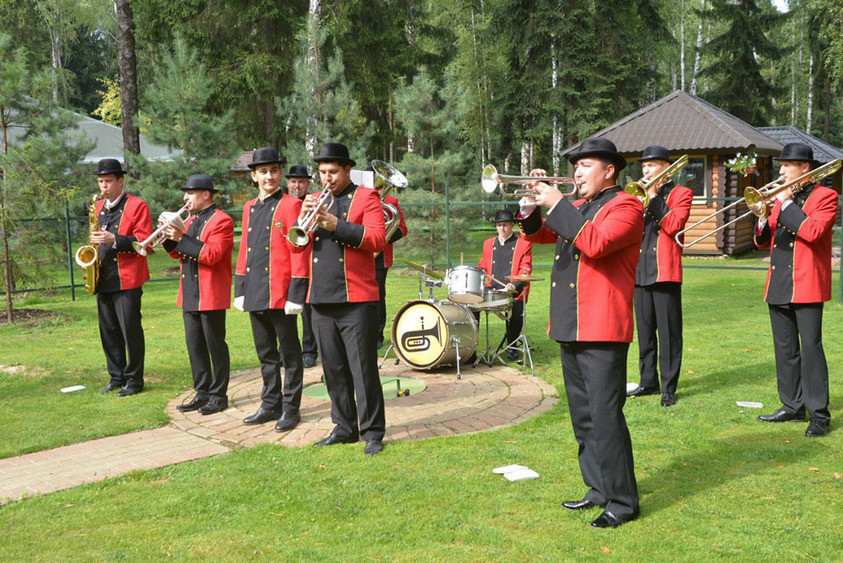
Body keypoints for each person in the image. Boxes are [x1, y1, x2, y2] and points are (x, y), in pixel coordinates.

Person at [518, 137, 643, 528]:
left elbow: (597, 242)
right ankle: (598, 487)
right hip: (571, 325)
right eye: (575, 165)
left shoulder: (627, 205)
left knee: (606, 418)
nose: (575, 172)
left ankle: (622, 501)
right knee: (583, 418)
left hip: (603, 328)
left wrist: (555, 203)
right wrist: (531, 202)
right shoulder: (577, 207)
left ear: (610, 170)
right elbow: (536, 234)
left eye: (585, 165)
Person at [295, 142, 387, 456]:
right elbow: (296, 246)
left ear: (347, 170)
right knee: (332, 369)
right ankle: (344, 427)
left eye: (333, 172)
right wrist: (304, 220)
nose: (327, 178)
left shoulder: (367, 196)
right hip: (321, 298)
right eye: (322, 172)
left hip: (356, 298)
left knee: (363, 370)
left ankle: (373, 432)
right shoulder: (312, 200)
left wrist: (335, 224)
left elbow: (376, 239)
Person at [754, 143, 837, 437]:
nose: (781, 170)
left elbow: (812, 232)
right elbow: (765, 241)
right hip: (779, 282)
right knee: (785, 349)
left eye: (787, 165)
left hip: (807, 284)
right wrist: (762, 215)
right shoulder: (780, 199)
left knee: (811, 350)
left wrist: (786, 204)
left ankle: (818, 415)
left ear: (805, 168)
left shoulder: (825, 195)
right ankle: (792, 405)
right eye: (782, 165)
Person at [234, 147, 308, 432]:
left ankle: (291, 408)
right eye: (263, 172)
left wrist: (296, 293)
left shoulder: (291, 204)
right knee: (266, 353)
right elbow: (245, 250)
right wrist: (240, 288)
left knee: (290, 355)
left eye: (274, 171)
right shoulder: (249, 207)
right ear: (254, 176)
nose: (269, 176)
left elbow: (299, 249)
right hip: (255, 290)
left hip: (281, 291)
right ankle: (270, 403)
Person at [162, 174, 234, 415]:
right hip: (190, 292)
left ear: (206, 194)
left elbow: (212, 255)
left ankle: (219, 395)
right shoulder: (190, 221)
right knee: (195, 346)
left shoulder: (222, 220)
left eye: (190, 193)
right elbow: (179, 254)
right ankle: (202, 392)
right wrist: (169, 239)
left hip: (210, 293)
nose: (185, 197)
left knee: (215, 346)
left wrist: (181, 238)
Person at [627, 146, 693, 407]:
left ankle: (668, 387)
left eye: (652, 165)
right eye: (644, 166)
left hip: (665, 271)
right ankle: (648, 381)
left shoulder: (682, 193)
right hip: (639, 270)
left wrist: (653, 197)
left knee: (669, 333)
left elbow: (674, 225)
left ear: (666, 168)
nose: (646, 170)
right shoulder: (636, 195)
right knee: (644, 332)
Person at [91, 158, 152, 397]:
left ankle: (135, 379)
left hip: (127, 278)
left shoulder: (137, 205)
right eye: (100, 181)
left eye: (108, 181)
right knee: (108, 331)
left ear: (120, 181)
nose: (103, 186)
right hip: (103, 276)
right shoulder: (98, 207)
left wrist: (114, 240)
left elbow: (144, 242)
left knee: (130, 331)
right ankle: (116, 376)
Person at [477, 209, 532, 361]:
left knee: (517, 310)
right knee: (471, 306)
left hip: (512, 292)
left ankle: (512, 347)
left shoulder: (523, 244)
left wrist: (515, 285)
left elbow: (525, 270)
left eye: (505, 225)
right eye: (499, 225)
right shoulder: (488, 244)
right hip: (491, 289)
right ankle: (470, 348)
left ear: (512, 225)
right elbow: (483, 265)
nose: (502, 228)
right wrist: (474, 273)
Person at [286, 164, 319, 369]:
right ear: (288, 183)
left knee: (308, 312)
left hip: (307, 263)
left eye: (301, 182)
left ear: (307, 183)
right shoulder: (282, 203)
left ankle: (309, 351)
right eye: (293, 181)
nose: (297, 185)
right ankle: (288, 350)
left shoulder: (312, 202)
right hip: (287, 263)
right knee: (285, 314)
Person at [374, 170, 408, 349]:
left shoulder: (391, 202)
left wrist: (384, 237)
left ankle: (377, 335)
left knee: (378, 295)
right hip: (358, 253)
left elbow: (403, 228)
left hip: (380, 256)